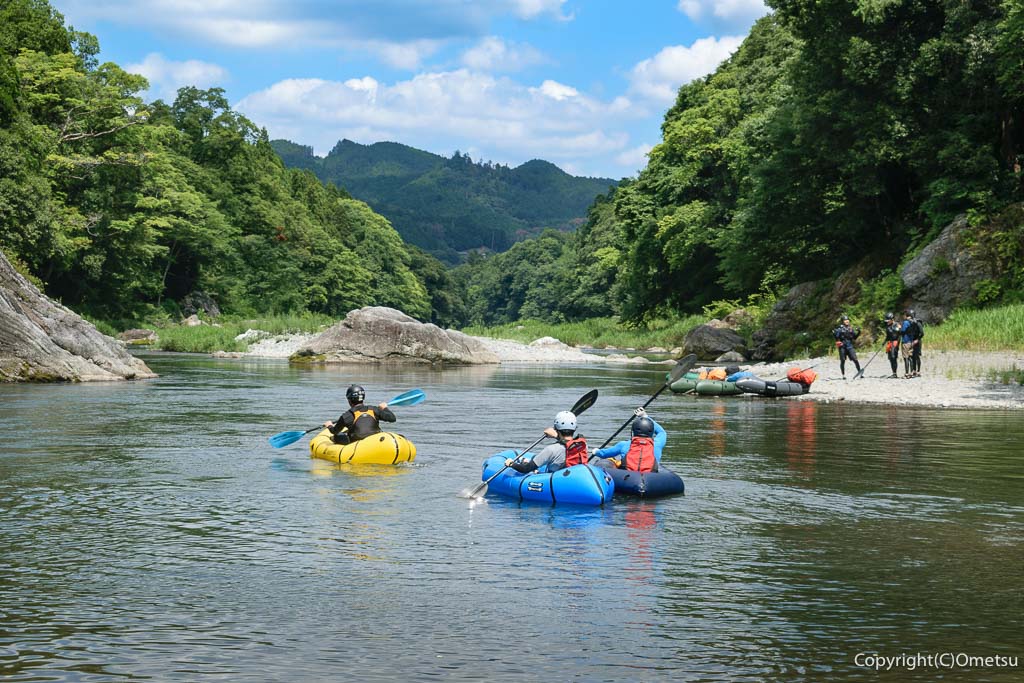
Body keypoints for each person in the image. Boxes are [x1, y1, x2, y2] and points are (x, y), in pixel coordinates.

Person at [505, 410, 588, 473]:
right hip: (572, 477)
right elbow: (567, 445)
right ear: (575, 428)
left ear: (556, 428)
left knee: (530, 465)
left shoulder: (551, 449)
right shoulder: (582, 446)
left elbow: (525, 469)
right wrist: (556, 436)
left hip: (555, 481)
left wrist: (511, 464)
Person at [590, 408, 666, 473]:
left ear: (634, 431)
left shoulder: (624, 444)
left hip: (627, 478)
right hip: (651, 478)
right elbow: (662, 432)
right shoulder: (657, 444)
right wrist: (646, 417)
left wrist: (596, 451)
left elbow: (604, 454)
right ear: (652, 430)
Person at [323, 384, 396, 445]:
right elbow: (392, 418)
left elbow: (334, 431)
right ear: (363, 397)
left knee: (337, 436)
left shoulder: (346, 416)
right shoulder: (374, 410)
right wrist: (385, 408)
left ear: (349, 400)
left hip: (357, 446)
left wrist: (329, 425)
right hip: (375, 442)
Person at [832, 314, 862, 379]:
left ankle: (860, 373)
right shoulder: (839, 329)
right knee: (842, 360)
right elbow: (836, 338)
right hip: (842, 347)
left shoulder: (850, 328)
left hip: (850, 346)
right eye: (845, 320)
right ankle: (843, 375)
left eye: (847, 320)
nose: (847, 321)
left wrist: (859, 332)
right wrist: (834, 334)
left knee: (855, 359)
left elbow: (855, 337)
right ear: (843, 321)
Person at [901, 309, 924, 378]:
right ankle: (913, 371)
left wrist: (917, 340)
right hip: (911, 340)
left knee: (916, 356)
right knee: (912, 356)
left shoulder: (917, 322)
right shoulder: (912, 322)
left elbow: (922, 333)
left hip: (915, 341)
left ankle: (917, 371)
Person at [883, 312, 902, 378]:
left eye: (888, 320)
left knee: (894, 357)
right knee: (890, 358)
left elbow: (900, 333)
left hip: (895, 342)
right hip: (890, 342)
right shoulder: (887, 326)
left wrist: (897, 343)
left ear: (892, 319)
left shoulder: (897, 324)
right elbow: (888, 336)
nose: (887, 322)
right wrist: (884, 342)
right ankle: (893, 373)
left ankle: (895, 373)